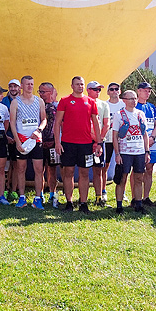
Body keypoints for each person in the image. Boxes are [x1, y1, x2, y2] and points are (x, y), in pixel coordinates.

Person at [53, 76, 101, 213]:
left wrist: (98, 142)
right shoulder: (64, 101)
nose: (80, 86)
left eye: (82, 84)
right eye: (77, 84)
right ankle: (69, 202)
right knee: (68, 172)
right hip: (68, 143)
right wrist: (57, 142)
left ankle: (83, 203)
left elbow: (96, 124)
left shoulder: (91, 102)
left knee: (84, 173)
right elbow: (57, 123)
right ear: (72, 86)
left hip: (85, 144)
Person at [10, 75, 46, 209]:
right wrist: (17, 141)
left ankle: (37, 198)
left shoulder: (39, 101)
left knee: (38, 170)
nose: (30, 86)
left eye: (32, 84)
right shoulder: (16, 102)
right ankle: (22, 197)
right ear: (22, 86)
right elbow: (12, 123)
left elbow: (44, 119)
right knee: (21, 169)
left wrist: (39, 130)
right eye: (27, 84)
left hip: (36, 140)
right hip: (22, 140)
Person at [112, 90, 150, 213]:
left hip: (139, 152)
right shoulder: (119, 115)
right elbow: (115, 135)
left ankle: (138, 203)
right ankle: (119, 205)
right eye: (131, 99)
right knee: (122, 178)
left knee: (139, 178)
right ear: (124, 100)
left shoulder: (140, 114)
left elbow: (145, 134)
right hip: (125, 152)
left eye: (135, 98)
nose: (134, 101)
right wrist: (117, 154)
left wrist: (147, 151)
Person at [135, 81, 156, 208]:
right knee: (137, 171)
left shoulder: (151, 107)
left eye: (149, 90)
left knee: (149, 169)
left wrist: (153, 137)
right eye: (145, 90)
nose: (147, 93)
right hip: (138, 141)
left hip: (151, 141)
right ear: (138, 91)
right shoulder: (134, 106)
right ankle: (135, 197)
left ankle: (146, 197)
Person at [86, 81, 110, 206]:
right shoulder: (84, 102)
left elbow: (106, 124)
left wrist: (99, 140)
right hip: (84, 141)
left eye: (99, 90)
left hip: (100, 141)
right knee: (83, 170)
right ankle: (82, 198)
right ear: (88, 90)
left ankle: (99, 197)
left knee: (98, 170)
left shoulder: (104, 104)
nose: (98, 92)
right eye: (95, 89)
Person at [37, 82, 60, 206]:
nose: (41, 94)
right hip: (39, 141)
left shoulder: (57, 106)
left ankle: (52, 193)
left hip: (52, 142)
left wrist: (58, 141)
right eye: (39, 91)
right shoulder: (37, 105)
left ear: (51, 92)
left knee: (52, 169)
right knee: (39, 168)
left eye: (43, 92)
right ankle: (40, 194)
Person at [2, 78, 22, 199]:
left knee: (16, 164)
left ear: (19, 88)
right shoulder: (4, 101)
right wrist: (6, 136)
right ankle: (5, 188)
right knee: (4, 164)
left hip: (19, 137)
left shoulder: (23, 100)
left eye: (16, 86)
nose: (13, 89)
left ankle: (14, 189)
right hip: (6, 136)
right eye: (11, 86)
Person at [104, 82, 124, 185]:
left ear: (120, 91)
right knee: (105, 166)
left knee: (122, 167)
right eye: (111, 89)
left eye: (116, 89)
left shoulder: (124, 104)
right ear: (108, 92)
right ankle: (103, 191)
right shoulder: (104, 105)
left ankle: (123, 192)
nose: (114, 91)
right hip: (107, 139)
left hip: (122, 139)